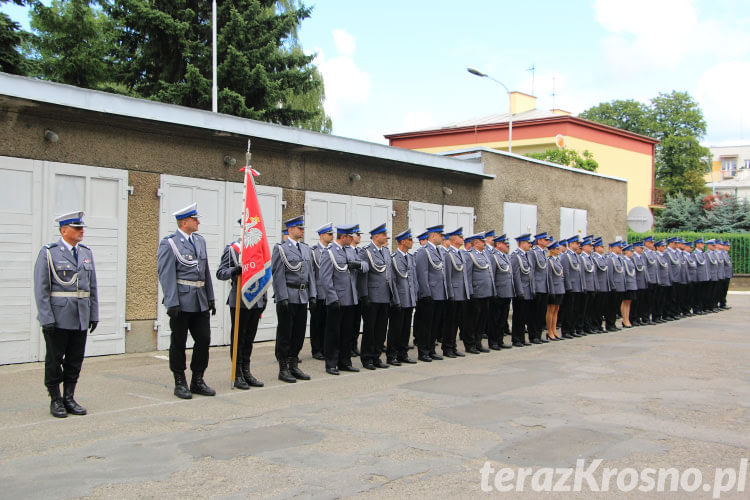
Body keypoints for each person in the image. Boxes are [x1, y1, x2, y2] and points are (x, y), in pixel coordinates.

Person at [34, 211, 98, 418]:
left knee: (75, 359)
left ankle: (69, 397)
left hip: (80, 316)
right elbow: (41, 288)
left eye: (82, 228)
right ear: (64, 230)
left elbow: (92, 287)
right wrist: (46, 317)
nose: (81, 231)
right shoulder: (49, 253)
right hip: (58, 317)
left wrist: (93, 314)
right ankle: (55, 399)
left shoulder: (86, 253)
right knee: (54, 360)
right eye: (77, 228)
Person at [157, 203, 217, 400]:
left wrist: (210, 297)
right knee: (179, 342)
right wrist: (171, 302)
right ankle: (180, 380)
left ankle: (197, 379)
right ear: (184, 222)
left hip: (200, 300)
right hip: (181, 301)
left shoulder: (200, 241)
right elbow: (166, 274)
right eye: (194, 219)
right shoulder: (170, 243)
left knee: (204, 340)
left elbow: (205, 271)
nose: (198, 222)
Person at [216, 222, 265, 390]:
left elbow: (263, 275)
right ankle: (237, 373)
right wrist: (234, 271)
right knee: (239, 338)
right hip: (239, 300)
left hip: (256, 300)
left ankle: (246, 370)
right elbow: (220, 273)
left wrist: (263, 300)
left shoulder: (259, 250)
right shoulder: (233, 249)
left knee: (249, 339)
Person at [271, 215, 317, 383]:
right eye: (299, 228)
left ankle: (293, 364)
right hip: (288, 296)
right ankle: (283, 368)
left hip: (302, 296)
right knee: (285, 333)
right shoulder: (281, 249)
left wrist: (313, 295)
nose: (302, 230)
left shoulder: (306, 249)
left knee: (298, 333)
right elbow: (277, 275)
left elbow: (310, 273)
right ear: (290, 230)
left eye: (303, 228)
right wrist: (282, 296)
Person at [319, 224, 363, 375]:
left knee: (347, 333)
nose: (352, 239)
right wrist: (333, 298)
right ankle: (331, 363)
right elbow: (325, 278)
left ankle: (345, 362)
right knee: (333, 333)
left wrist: (357, 265)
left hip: (350, 298)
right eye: (350, 237)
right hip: (336, 300)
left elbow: (364, 265)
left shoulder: (350, 251)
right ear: (343, 237)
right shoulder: (329, 252)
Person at [359, 223, 400, 369]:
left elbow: (390, 275)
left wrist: (394, 296)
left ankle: (376, 356)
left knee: (381, 329)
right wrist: (364, 295)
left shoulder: (386, 251)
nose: (386, 237)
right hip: (372, 296)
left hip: (385, 296)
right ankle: (367, 358)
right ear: (376, 236)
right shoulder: (366, 252)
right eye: (384, 235)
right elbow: (363, 276)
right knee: (370, 329)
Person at [414, 225, 449, 361]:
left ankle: (431, 349)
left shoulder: (439, 251)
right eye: (440, 235)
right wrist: (426, 292)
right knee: (426, 325)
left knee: (435, 324)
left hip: (439, 293)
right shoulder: (424, 251)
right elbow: (422, 274)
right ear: (433, 235)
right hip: (429, 294)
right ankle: (423, 351)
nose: (442, 237)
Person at [387, 229, 418, 365]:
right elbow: (392, 281)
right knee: (396, 329)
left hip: (409, 298)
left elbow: (414, 279)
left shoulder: (410, 258)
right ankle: (392, 355)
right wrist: (395, 300)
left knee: (406, 329)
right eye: (409, 240)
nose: (412, 242)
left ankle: (402, 353)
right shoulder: (393, 258)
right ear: (403, 242)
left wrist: (415, 295)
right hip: (399, 299)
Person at [463, 233, 495, 351]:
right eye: (482, 241)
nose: (484, 243)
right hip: (476, 293)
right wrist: (470, 292)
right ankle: (470, 344)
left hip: (486, 293)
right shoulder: (469, 255)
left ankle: (478, 342)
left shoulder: (485, 255)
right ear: (476, 243)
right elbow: (468, 275)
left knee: (482, 320)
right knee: (472, 320)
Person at [442, 227, 470, 358]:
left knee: (457, 321)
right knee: (450, 322)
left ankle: (453, 346)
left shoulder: (460, 253)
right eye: (460, 237)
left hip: (461, 293)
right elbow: (447, 276)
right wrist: (450, 293)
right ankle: (447, 347)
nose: (462, 239)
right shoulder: (448, 255)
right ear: (454, 239)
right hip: (453, 293)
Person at [310, 223, 334, 360]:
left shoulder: (332, 251)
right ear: (322, 235)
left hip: (330, 293)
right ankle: (316, 349)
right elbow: (312, 275)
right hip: (318, 293)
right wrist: (312, 295)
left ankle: (325, 347)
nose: (332, 237)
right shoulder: (313, 251)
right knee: (317, 323)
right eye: (329, 234)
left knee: (328, 323)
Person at [489, 234, 514, 349]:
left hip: (507, 292)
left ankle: (500, 340)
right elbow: (492, 276)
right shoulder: (493, 257)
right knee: (495, 318)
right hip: (498, 293)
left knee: (503, 318)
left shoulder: (506, 257)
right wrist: (493, 292)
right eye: (505, 243)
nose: (507, 245)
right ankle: (493, 341)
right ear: (498, 244)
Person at [510, 234, 534, 347]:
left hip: (528, 291)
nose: (530, 245)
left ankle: (522, 338)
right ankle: (516, 339)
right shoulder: (516, 256)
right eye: (528, 243)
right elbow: (516, 275)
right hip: (521, 292)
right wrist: (520, 291)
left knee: (524, 316)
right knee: (518, 316)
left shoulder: (527, 255)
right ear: (522, 243)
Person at [561, 236, 585, 338]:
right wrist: (568, 286)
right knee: (568, 310)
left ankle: (572, 329)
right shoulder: (566, 256)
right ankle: (566, 331)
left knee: (575, 310)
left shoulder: (577, 256)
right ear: (570, 244)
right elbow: (566, 272)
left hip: (578, 287)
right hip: (571, 287)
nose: (578, 245)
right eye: (576, 243)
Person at [529, 232, 550, 343]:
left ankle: (538, 334)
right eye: (545, 240)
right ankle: (533, 336)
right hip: (537, 287)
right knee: (535, 313)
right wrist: (533, 287)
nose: (547, 242)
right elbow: (531, 271)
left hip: (544, 287)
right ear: (540, 241)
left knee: (542, 313)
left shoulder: (545, 252)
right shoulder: (534, 253)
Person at [545, 241, 564, 340]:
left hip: (559, 288)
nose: (559, 250)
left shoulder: (557, 260)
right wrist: (551, 290)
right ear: (552, 250)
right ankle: (549, 331)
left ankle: (554, 330)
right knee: (550, 310)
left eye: (559, 248)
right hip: (553, 289)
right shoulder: (549, 261)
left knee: (556, 310)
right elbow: (549, 277)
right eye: (557, 249)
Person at [621, 244, 637, 328]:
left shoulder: (630, 260)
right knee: (625, 302)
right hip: (627, 284)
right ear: (626, 251)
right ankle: (624, 319)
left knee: (629, 302)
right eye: (631, 251)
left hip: (632, 284)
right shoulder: (623, 260)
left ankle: (627, 319)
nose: (632, 253)